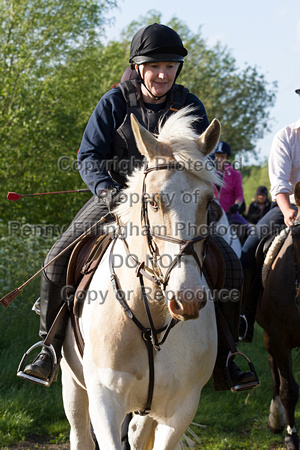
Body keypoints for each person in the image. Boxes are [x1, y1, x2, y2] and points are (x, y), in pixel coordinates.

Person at [23, 23, 257, 395]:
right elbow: (88, 156)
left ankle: (227, 358)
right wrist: (109, 193)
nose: (162, 73)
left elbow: (199, 157)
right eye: (154, 66)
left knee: (229, 264)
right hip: (115, 199)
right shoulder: (114, 102)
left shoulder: (189, 104)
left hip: (175, 208)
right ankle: (48, 348)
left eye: (170, 66)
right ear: (138, 67)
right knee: (55, 259)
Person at [240, 88, 300, 343]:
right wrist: (288, 211)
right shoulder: (286, 137)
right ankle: (243, 318)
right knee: (248, 250)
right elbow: (279, 183)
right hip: (291, 206)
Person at [213, 141, 251, 244]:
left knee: (248, 230)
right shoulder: (207, 172)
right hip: (211, 213)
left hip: (229, 213)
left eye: (222, 156)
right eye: (217, 156)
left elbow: (239, 195)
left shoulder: (235, 174)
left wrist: (237, 206)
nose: (219, 159)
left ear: (227, 157)